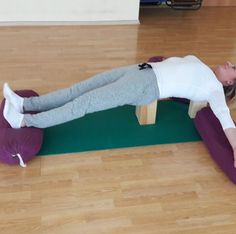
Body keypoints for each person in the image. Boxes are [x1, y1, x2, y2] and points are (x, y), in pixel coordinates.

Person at [3, 55, 236, 166]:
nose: (228, 63)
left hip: (145, 86)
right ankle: (25, 105)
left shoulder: (214, 90)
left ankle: (27, 122)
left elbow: (226, 122)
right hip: (139, 70)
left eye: (232, 68)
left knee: (84, 103)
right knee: (79, 89)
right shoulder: (199, 62)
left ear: (229, 83)